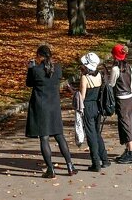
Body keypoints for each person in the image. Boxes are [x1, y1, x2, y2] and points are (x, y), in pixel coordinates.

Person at [25, 43, 75, 178]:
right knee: (59, 135)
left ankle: (50, 169)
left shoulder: (36, 70)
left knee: (44, 138)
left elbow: (29, 83)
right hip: (54, 106)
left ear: (39, 56)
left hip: (41, 106)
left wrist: (31, 68)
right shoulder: (58, 69)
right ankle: (70, 165)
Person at [76, 51, 109, 171]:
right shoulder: (99, 75)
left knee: (91, 136)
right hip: (97, 106)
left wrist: (74, 94)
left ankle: (96, 163)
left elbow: (82, 96)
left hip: (88, 107)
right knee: (97, 133)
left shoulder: (85, 78)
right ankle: (105, 159)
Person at [108, 42, 132, 163]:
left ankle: (131, 153)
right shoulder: (129, 67)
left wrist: (106, 76)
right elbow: (130, 85)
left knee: (126, 125)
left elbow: (111, 84)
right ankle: (128, 150)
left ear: (114, 56)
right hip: (129, 98)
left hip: (121, 100)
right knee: (127, 123)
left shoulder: (115, 69)